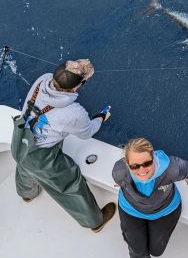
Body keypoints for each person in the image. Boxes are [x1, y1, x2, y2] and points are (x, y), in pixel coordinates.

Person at [11, 59, 116, 233]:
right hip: (41, 158)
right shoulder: (74, 112)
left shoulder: (42, 79)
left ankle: (27, 195)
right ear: (75, 87)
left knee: (23, 165)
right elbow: (87, 132)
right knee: (71, 181)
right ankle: (95, 221)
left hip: (20, 139)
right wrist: (100, 117)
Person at [112, 137, 188, 258]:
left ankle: (133, 237)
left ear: (153, 158)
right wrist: (125, 185)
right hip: (131, 210)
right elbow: (120, 182)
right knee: (138, 250)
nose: (142, 170)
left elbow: (187, 170)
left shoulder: (173, 168)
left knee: (157, 251)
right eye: (134, 166)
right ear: (127, 163)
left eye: (147, 163)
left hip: (165, 210)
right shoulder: (119, 172)